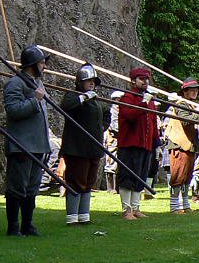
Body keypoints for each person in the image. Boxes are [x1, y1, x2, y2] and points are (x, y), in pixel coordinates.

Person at [3, 45, 52, 236]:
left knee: (32, 188)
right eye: (42, 63)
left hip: (37, 144)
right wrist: (35, 100)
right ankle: (13, 226)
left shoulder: (35, 83)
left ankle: (27, 224)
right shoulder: (16, 84)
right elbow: (13, 110)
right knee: (17, 187)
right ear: (33, 64)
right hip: (21, 145)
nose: (44, 67)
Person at [59, 64, 110, 225]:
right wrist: (84, 98)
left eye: (93, 81)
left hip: (93, 147)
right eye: (88, 81)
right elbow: (66, 107)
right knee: (75, 182)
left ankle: (84, 216)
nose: (91, 83)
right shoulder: (72, 96)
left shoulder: (97, 101)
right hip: (76, 148)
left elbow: (106, 114)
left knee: (88, 182)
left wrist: (100, 128)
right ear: (80, 82)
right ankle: (72, 217)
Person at [117, 67, 160, 219]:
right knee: (128, 176)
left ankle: (136, 208)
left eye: (147, 79)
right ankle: (126, 209)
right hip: (130, 144)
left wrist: (156, 140)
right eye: (141, 79)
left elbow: (153, 121)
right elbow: (130, 115)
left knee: (140, 177)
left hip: (145, 144)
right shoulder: (127, 98)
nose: (145, 82)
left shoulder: (149, 100)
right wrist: (143, 104)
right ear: (133, 80)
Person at [165, 77, 199, 213]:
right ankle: (174, 205)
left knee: (187, 176)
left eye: (196, 91)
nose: (195, 93)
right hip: (179, 145)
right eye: (191, 90)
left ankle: (185, 204)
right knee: (178, 175)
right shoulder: (180, 104)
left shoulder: (192, 105)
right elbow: (186, 121)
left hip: (190, 145)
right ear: (185, 92)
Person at [103, 90, 123, 194]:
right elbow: (114, 126)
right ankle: (111, 188)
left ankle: (117, 187)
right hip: (113, 139)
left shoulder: (121, 111)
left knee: (119, 164)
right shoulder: (113, 111)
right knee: (111, 163)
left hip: (121, 139)